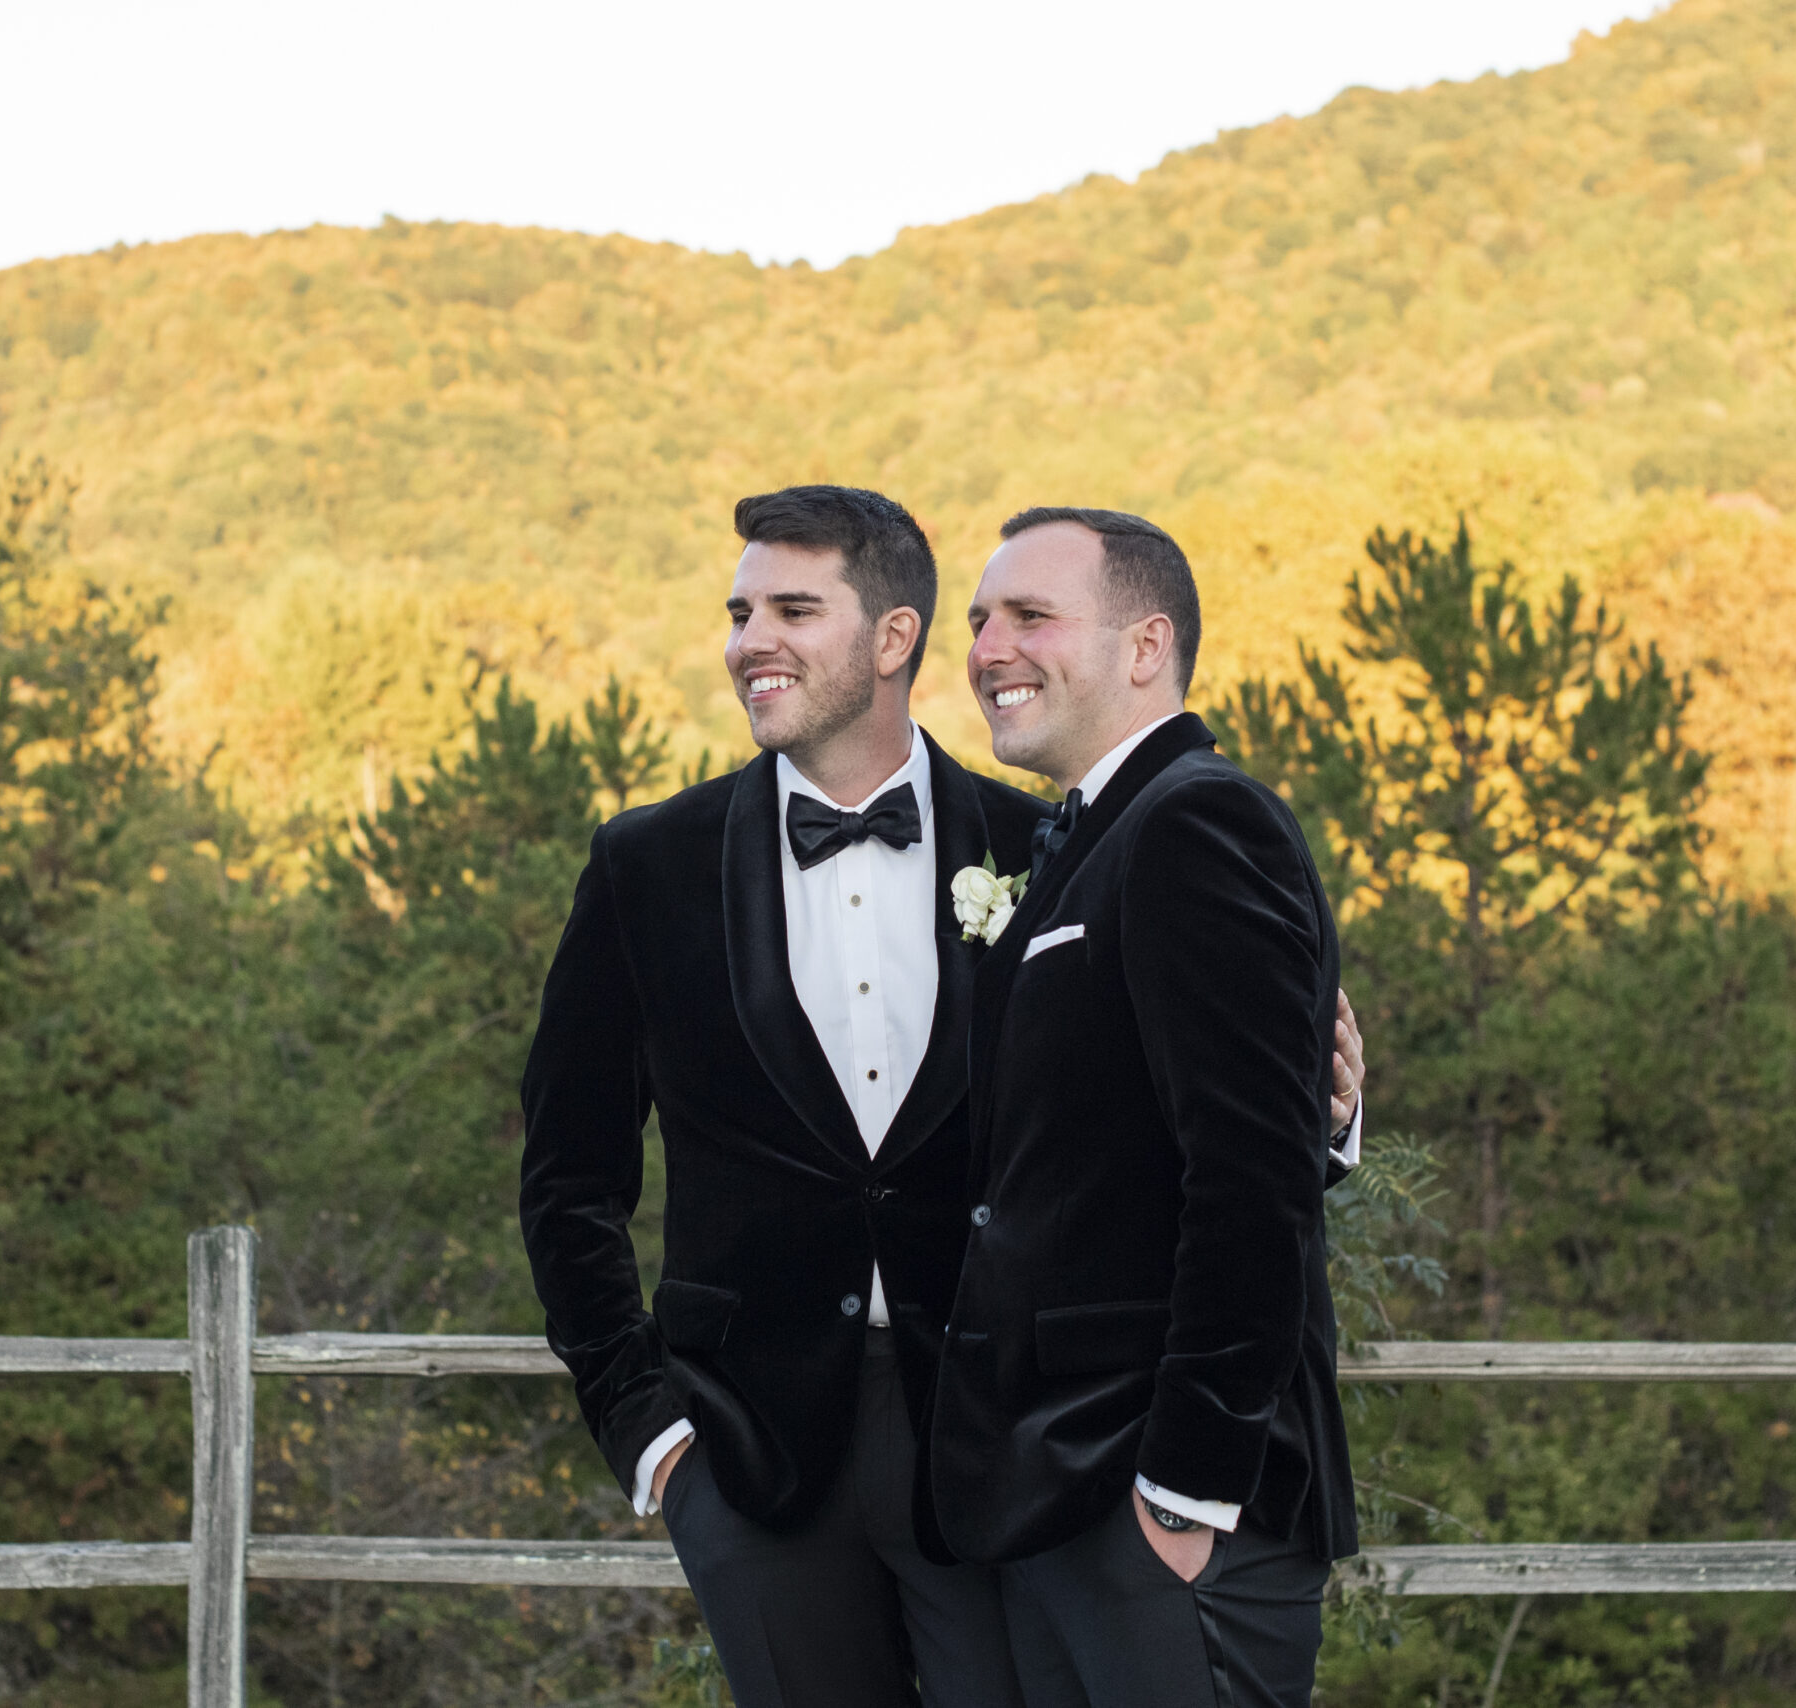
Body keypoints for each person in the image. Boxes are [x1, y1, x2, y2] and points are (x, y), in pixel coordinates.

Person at [519, 487, 1365, 1708]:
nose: (750, 637)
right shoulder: (645, 866)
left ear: (891, 638)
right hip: (752, 1446)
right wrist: (647, 1431)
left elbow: (1161, 1124)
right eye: (739, 610)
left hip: (1010, 1438)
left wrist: (1316, 1121)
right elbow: (566, 1174)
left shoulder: (1051, 840)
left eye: (792, 608)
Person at [926, 507, 1358, 1708]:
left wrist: (1186, 1488)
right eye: (977, 620)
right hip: (1057, 1485)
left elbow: (1245, 1175)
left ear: (1143, 645)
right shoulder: (1082, 842)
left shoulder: (1198, 822)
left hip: (1163, 1505)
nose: (987, 647)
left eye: (1029, 615)